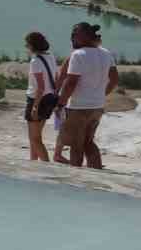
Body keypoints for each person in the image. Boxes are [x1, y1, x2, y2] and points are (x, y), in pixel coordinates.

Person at [55, 22, 118, 170]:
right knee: (88, 142)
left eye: (74, 34)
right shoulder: (106, 53)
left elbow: (70, 83)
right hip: (97, 106)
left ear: (82, 36)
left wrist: (60, 103)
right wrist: (101, 94)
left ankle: (75, 179)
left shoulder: (78, 55)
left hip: (79, 107)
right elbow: (114, 80)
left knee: (76, 144)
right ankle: (96, 171)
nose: (72, 37)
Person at [23, 31, 61, 162]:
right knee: (36, 136)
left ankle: (46, 166)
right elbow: (56, 78)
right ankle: (33, 162)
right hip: (49, 98)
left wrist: (35, 106)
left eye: (27, 44)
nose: (26, 47)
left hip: (37, 99)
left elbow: (40, 87)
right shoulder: (50, 57)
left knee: (35, 139)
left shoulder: (35, 61)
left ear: (32, 45)